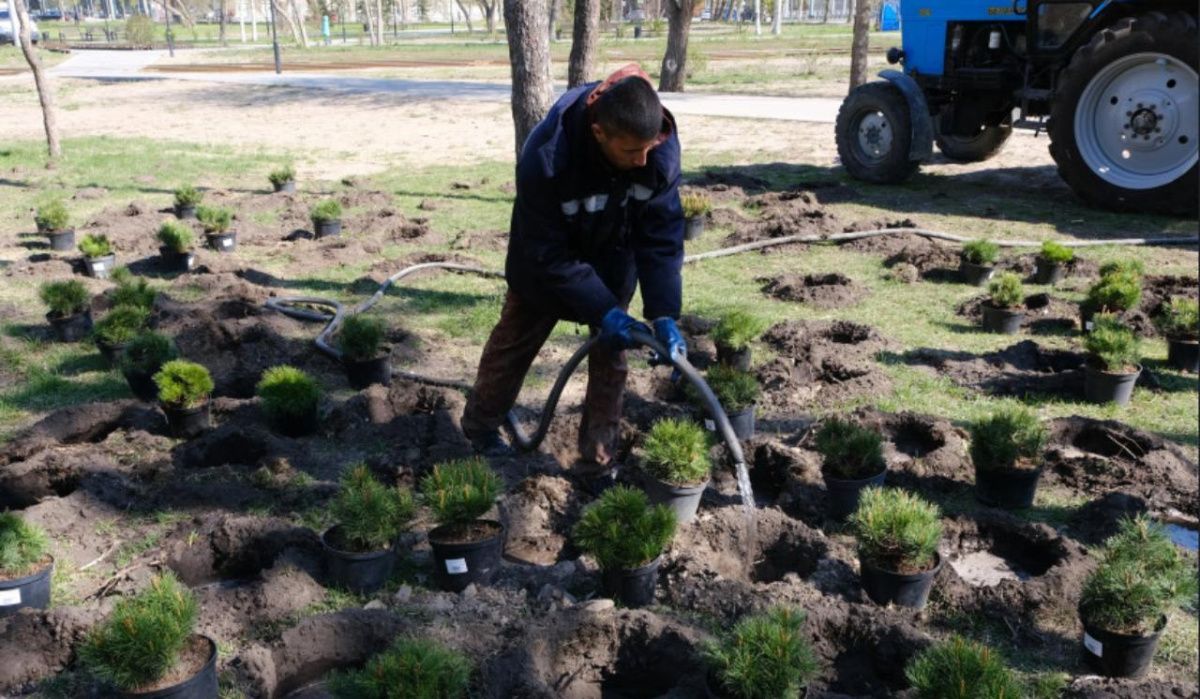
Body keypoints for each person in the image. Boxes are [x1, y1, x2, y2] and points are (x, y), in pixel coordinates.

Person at [461, 64, 687, 493]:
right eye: (631, 151)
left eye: (648, 148)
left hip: (612, 258)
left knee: (611, 360)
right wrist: (601, 309)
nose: (642, 160)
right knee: (514, 342)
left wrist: (664, 313)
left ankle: (596, 463)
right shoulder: (547, 157)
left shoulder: (657, 149)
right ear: (599, 133)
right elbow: (547, 253)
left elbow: (660, 237)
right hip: (545, 266)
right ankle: (481, 428)